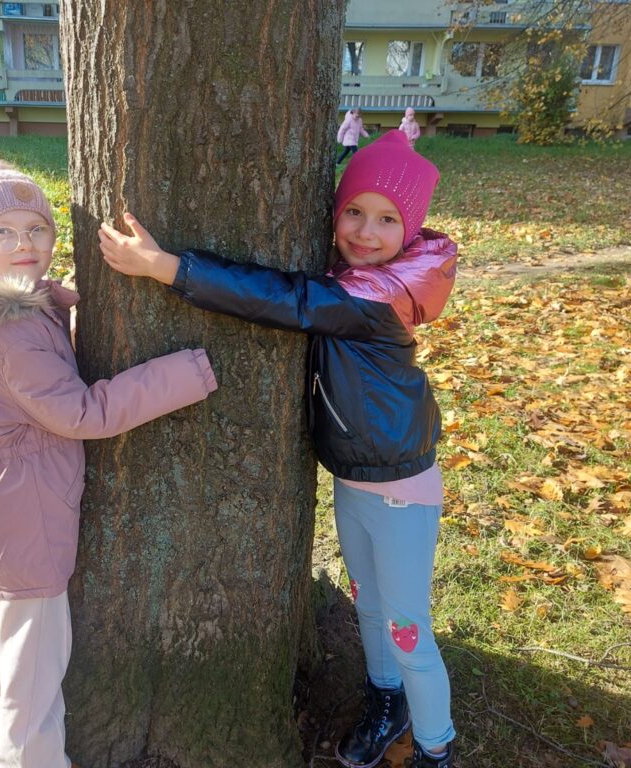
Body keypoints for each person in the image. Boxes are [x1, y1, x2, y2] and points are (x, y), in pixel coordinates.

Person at [97, 129, 459, 768]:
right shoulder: (358, 279)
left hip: (401, 488)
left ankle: (435, 748)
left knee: (407, 629)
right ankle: (386, 702)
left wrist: (168, 267)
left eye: (386, 220)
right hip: (356, 475)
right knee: (368, 604)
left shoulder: (373, 297)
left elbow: (286, 300)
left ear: (410, 233)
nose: (365, 231)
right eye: (354, 211)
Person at [0, 153, 218, 768]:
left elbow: (28, 318)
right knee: (37, 634)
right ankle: (29, 756)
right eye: (3, 233)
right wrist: (183, 373)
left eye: (36, 228)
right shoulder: (9, 331)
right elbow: (81, 414)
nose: (25, 244)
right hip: (24, 491)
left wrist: (54, 299)